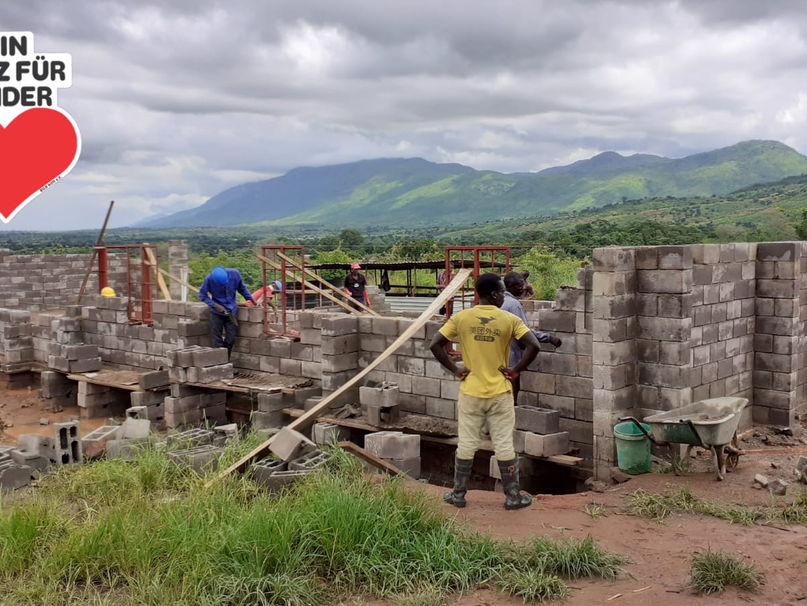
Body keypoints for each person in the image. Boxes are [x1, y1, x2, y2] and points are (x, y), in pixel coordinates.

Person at [430, 272, 540, 510]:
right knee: (503, 443)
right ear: (493, 294)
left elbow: (435, 344)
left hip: (471, 393)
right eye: (502, 292)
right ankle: (512, 497)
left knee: (467, 443)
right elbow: (534, 344)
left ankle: (458, 495)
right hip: (500, 393)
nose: (504, 296)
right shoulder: (508, 319)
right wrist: (516, 370)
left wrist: (455, 370)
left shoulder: (462, 318)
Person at [501, 271, 562, 405]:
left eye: (522, 284)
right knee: (512, 385)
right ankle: (511, 410)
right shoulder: (513, 304)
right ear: (510, 287)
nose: (522, 288)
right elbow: (525, 331)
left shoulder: (501, 301)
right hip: (511, 353)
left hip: (500, 352)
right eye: (519, 286)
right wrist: (549, 338)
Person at [198, 266, 255, 357]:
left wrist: (251, 299)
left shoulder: (235, 274)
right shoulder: (209, 279)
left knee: (231, 338)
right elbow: (202, 295)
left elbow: (242, 288)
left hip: (231, 311)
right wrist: (215, 305)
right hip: (217, 313)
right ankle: (221, 362)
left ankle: (225, 359)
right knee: (217, 339)